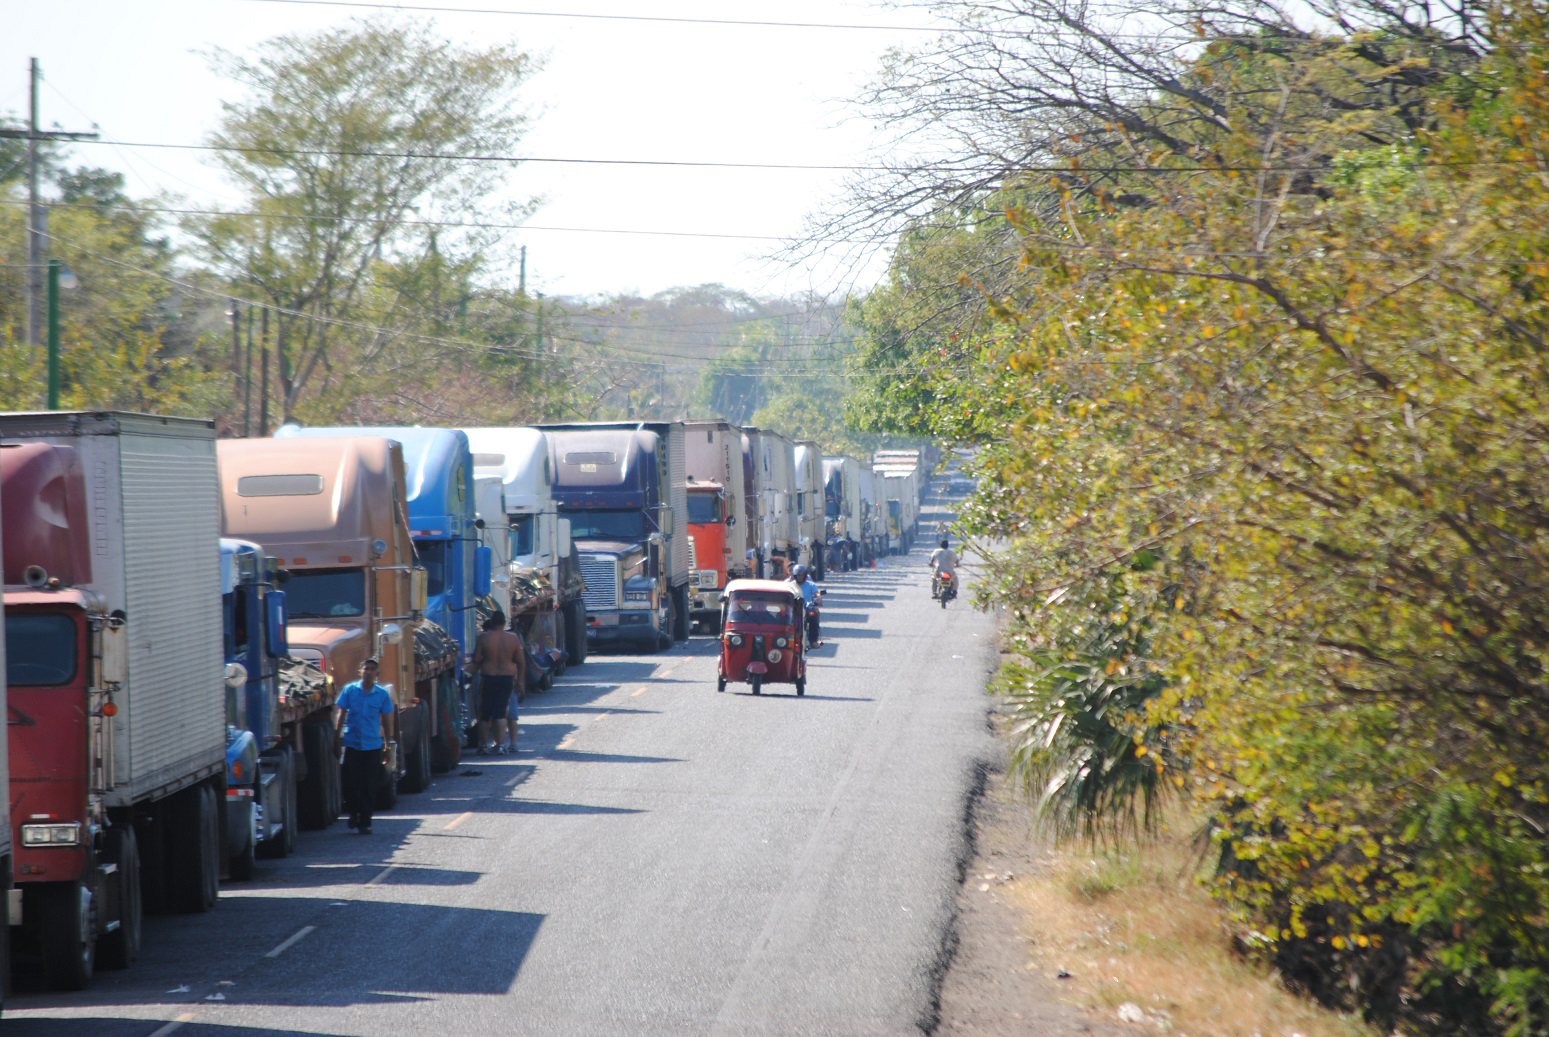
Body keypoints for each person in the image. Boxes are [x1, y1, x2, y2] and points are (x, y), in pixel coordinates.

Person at [335, 658, 395, 835]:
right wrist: (335, 738)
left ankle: (365, 821)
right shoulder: (350, 691)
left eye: (372, 669)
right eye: (366, 669)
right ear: (360, 671)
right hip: (353, 744)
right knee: (350, 783)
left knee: (369, 785)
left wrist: (387, 745)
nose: (368, 672)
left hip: (372, 746)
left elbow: (386, 721)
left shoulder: (382, 695)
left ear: (377, 673)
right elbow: (341, 714)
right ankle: (353, 813)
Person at [469, 612, 524, 755]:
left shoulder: (484, 638)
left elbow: (476, 659)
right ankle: (500, 745)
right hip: (506, 678)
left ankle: (483, 745)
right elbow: (520, 661)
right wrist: (521, 681)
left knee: (485, 713)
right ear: (504, 623)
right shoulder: (513, 638)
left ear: (492, 622)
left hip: (488, 677)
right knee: (500, 712)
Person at [787, 563, 822, 647]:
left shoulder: (811, 585)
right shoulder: (790, 585)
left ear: (805, 575)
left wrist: (818, 599)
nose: (799, 577)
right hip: (794, 609)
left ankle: (813, 641)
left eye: (801, 575)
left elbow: (816, 593)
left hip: (808, 608)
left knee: (813, 616)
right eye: (798, 575)